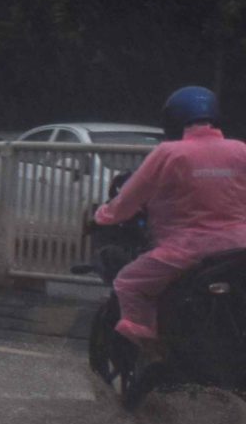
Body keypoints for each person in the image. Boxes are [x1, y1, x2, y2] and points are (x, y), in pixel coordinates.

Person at [91, 84, 246, 346]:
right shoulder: (241, 150)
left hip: (184, 252)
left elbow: (129, 200)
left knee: (129, 283)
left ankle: (150, 349)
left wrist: (103, 216)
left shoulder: (168, 153)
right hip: (238, 249)